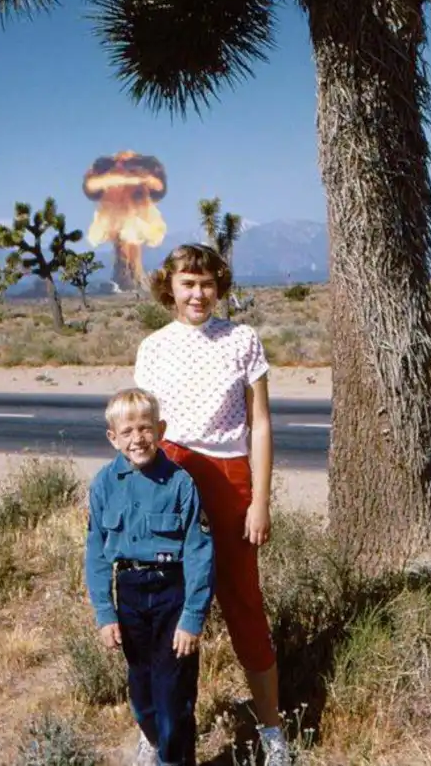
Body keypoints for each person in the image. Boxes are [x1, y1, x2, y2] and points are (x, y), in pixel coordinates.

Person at [134, 244, 290, 766]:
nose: (197, 294)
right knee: (165, 608)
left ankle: (272, 730)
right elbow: (143, 431)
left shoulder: (243, 340)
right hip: (169, 479)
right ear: (170, 288)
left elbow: (260, 424)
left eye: (206, 283)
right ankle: (159, 730)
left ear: (219, 286)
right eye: (187, 283)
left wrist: (260, 500)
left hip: (229, 478)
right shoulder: (153, 347)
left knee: (243, 602)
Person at [85, 387, 214, 766]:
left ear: (160, 430)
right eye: (127, 431)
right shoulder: (104, 484)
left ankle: (174, 760)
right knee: (142, 693)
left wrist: (192, 618)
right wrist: (105, 613)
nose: (137, 438)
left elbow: (200, 553)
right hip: (130, 594)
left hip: (172, 594)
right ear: (113, 438)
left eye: (145, 428)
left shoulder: (180, 483)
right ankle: (160, 744)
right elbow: (96, 553)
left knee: (173, 692)